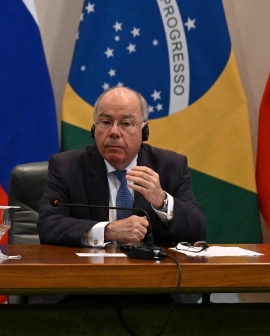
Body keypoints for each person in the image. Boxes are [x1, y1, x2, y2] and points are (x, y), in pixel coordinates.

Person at [37, 86, 206, 247]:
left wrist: (162, 201)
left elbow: (197, 231)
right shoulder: (67, 167)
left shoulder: (170, 166)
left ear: (144, 131)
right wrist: (108, 231)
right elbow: (48, 225)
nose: (114, 132)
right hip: (89, 271)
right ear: (93, 128)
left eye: (126, 123)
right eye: (105, 122)